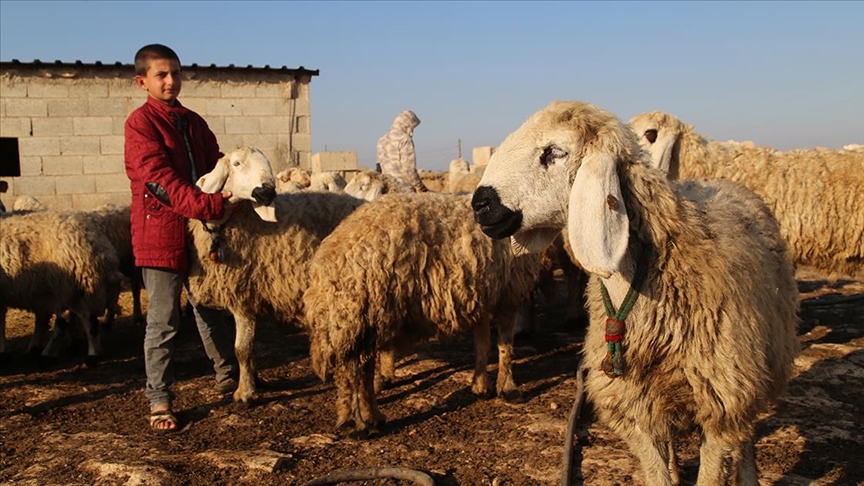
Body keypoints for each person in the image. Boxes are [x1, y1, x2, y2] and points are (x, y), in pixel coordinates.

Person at [124, 44, 238, 432]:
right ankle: (158, 397)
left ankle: (229, 374)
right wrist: (208, 206)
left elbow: (215, 165)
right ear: (143, 82)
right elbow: (158, 180)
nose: (170, 80)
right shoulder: (141, 125)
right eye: (161, 74)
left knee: (210, 306)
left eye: (175, 72)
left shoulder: (193, 122)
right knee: (164, 319)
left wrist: (238, 183)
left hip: (199, 234)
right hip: (161, 233)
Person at [376, 110, 429, 193]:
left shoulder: (382, 140)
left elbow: (379, 167)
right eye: (412, 127)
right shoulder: (404, 139)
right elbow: (409, 169)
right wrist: (420, 187)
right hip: (404, 190)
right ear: (407, 125)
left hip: (387, 190)